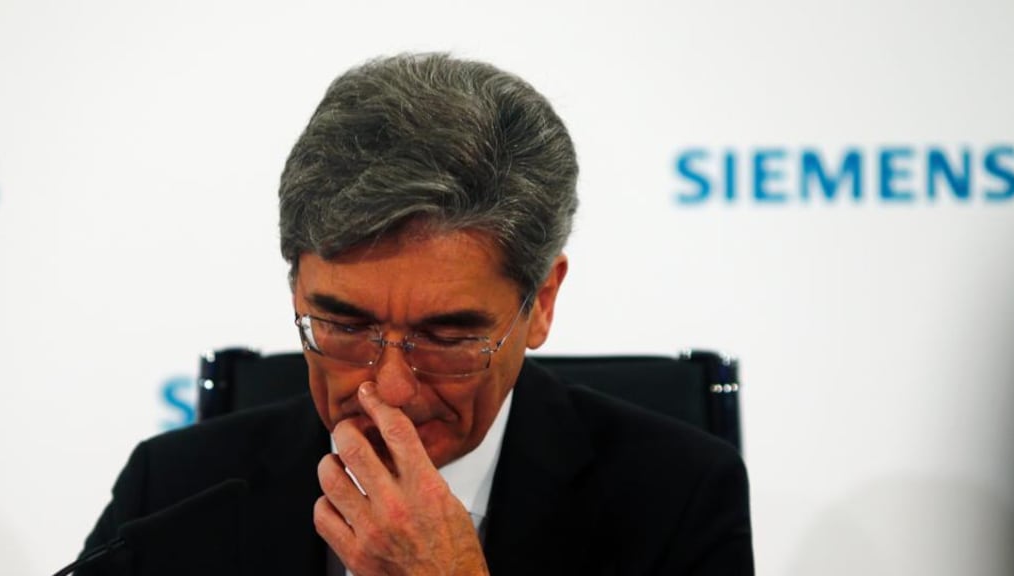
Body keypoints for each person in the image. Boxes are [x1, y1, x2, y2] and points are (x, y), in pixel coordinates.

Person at [75, 53, 753, 575]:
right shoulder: (174, 492)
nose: (390, 389)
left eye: (449, 336)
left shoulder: (677, 499)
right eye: (343, 326)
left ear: (540, 303)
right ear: (295, 291)